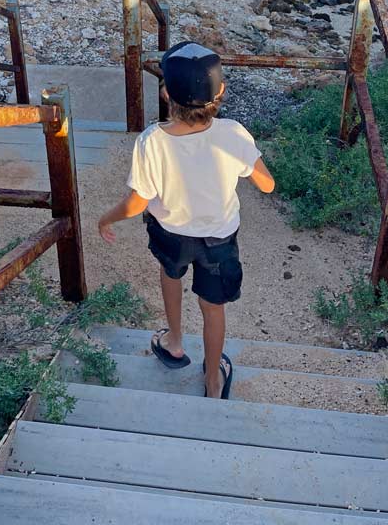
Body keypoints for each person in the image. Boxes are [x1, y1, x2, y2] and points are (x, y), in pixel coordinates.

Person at [98, 41, 275, 399]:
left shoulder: (151, 142)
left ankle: (175, 341)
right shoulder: (233, 134)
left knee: (171, 274)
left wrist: (106, 219)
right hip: (220, 240)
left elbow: (137, 202)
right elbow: (267, 185)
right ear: (221, 91)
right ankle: (212, 381)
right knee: (213, 307)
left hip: (171, 233)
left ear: (165, 92)